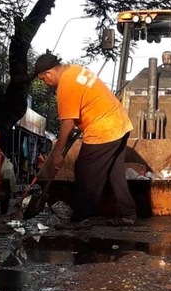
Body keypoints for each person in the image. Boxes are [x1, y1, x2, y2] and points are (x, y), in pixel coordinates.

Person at [32, 52, 137, 229]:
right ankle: (128, 213)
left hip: (104, 129)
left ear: (48, 74)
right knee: (114, 172)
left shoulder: (66, 84)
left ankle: (79, 218)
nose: (46, 84)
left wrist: (57, 154)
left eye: (43, 80)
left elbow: (67, 124)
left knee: (84, 170)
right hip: (120, 123)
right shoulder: (75, 70)